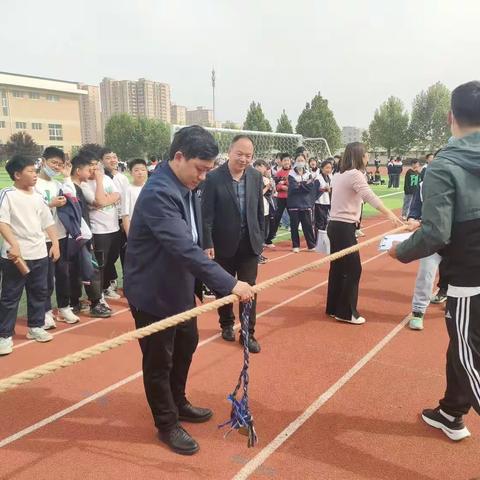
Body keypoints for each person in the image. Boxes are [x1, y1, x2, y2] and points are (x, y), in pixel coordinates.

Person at [124, 125, 254, 455]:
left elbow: (194, 240)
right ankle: (166, 423)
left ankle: (178, 401)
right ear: (178, 157)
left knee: (186, 343)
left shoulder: (187, 185)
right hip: (153, 292)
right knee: (159, 360)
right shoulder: (158, 194)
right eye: (200, 169)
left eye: (208, 170)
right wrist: (230, 284)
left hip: (180, 287)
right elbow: (183, 248)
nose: (203, 177)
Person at [389, 81, 480, 441]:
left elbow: (437, 234)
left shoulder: (445, 164)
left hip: (470, 277)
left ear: (450, 116)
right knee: (462, 348)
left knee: (470, 358)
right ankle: (451, 412)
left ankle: (455, 409)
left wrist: (402, 251)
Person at [326, 142, 402, 325]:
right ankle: (345, 313)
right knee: (353, 269)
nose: (368, 157)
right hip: (343, 227)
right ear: (359, 155)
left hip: (335, 225)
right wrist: (390, 215)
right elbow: (369, 196)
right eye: (366, 153)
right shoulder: (355, 174)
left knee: (338, 268)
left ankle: (334, 307)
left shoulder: (339, 174)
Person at [202, 135, 264, 353]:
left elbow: (258, 211)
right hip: (223, 244)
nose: (244, 159)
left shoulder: (256, 177)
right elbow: (206, 214)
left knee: (249, 290)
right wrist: (207, 242)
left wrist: (260, 237)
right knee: (224, 289)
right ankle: (226, 323)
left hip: (249, 245)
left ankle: (248, 333)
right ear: (229, 152)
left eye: (248, 155)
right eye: (240, 154)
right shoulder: (213, 178)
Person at [0, 155, 60, 355]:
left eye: (35, 171)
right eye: (30, 171)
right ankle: (5, 335)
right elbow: (2, 222)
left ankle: (35, 327)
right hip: (16, 256)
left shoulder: (38, 196)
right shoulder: (7, 194)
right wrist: (14, 244)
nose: (35, 175)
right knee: (10, 296)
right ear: (17, 175)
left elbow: (48, 222)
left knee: (39, 292)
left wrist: (56, 243)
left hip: (39, 252)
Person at [35, 147, 79, 327]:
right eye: (54, 163)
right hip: (42, 238)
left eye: (60, 165)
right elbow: (33, 210)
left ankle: (64, 307)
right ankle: (45, 311)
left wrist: (67, 176)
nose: (56, 167)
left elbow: (73, 197)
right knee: (45, 278)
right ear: (43, 161)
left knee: (63, 274)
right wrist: (50, 204)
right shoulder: (35, 184)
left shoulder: (58, 184)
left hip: (60, 235)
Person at [69, 152, 111, 318]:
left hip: (81, 235)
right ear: (78, 170)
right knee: (88, 268)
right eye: (88, 169)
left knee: (84, 268)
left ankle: (78, 302)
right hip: (79, 236)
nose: (91, 172)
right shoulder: (71, 188)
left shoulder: (79, 187)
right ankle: (93, 303)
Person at [81, 150, 121, 308]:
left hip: (114, 228)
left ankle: (105, 288)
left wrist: (105, 200)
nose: (94, 168)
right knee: (99, 264)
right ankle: (98, 296)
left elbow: (117, 195)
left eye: (96, 165)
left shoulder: (107, 179)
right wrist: (98, 182)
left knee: (111, 260)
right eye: (90, 166)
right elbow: (98, 202)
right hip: (99, 231)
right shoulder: (85, 184)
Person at [100, 148, 129, 298]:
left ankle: (119, 282)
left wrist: (125, 220)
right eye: (108, 158)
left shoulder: (122, 178)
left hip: (120, 220)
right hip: (105, 223)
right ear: (101, 161)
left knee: (119, 254)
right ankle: (106, 285)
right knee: (106, 257)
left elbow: (124, 200)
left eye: (115, 157)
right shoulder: (100, 178)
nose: (112, 160)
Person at [287, 156, 318, 252]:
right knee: (294, 226)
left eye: (302, 160)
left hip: (306, 203)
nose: (300, 162)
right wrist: (304, 184)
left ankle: (311, 245)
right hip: (294, 203)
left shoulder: (308, 174)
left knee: (307, 225)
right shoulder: (291, 174)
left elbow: (310, 187)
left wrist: (300, 184)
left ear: (305, 162)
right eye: (298, 160)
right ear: (295, 161)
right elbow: (293, 188)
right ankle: (295, 245)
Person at [265, 152, 291, 247]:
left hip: (291, 199)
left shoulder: (293, 172)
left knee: (294, 218)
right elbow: (277, 186)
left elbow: (293, 185)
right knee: (276, 218)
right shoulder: (278, 173)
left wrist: (285, 184)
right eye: (284, 160)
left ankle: (295, 240)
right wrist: (283, 186)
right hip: (280, 198)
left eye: (288, 160)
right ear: (281, 162)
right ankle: (269, 239)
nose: (286, 162)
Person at [122, 158, 148, 237]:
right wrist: (129, 235)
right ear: (130, 173)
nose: (140, 173)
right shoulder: (128, 190)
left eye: (143, 170)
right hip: (135, 228)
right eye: (136, 170)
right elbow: (125, 215)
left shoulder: (150, 188)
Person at [253, 159, 272, 265]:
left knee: (263, 233)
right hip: (257, 209)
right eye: (264, 166)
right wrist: (267, 187)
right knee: (258, 233)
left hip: (265, 208)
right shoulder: (255, 178)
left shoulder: (264, 178)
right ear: (259, 166)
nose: (265, 169)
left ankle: (259, 254)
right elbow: (258, 194)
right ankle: (256, 255)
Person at [314, 159, 333, 234]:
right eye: (327, 167)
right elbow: (314, 191)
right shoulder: (318, 178)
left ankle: (323, 240)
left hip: (326, 203)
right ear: (322, 168)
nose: (328, 170)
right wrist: (323, 189)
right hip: (319, 203)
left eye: (330, 168)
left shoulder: (329, 178)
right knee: (319, 222)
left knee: (325, 222)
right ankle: (318, 240)